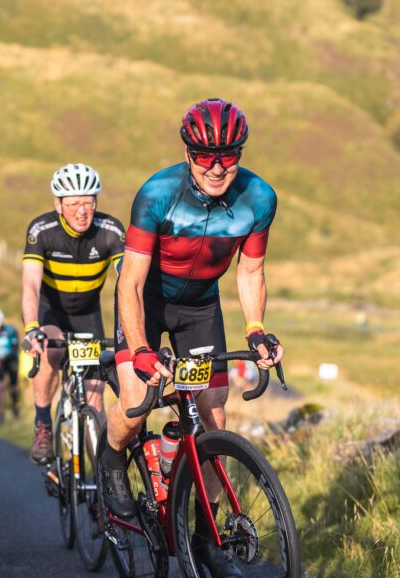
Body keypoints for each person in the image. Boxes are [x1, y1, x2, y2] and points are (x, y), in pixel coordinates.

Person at [99, 98, 284, 577]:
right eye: (206, 156)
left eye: (229, 154)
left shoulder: (259, 199)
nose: (218, 167)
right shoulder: (156, 194)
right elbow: (131, 282)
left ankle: (205, 539)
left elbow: (251, 270)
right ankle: (113, 458)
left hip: (201, 307)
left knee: (213, 416)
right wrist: (140, 350)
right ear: (188, 154)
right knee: (138, 397)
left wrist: (257, 329)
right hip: (149, 300)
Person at [20, 163, 125, 464]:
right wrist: (31, 328)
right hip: (51, 312)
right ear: (58, 205)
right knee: (50, 351)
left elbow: (129, 280)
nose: (82, 211)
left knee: (96, 401)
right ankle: (42, 422)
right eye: (74, 204)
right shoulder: (42, 230)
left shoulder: (110, 230)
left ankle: (104, 484)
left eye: (88, 203)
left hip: (88, 316)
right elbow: (30, 284)